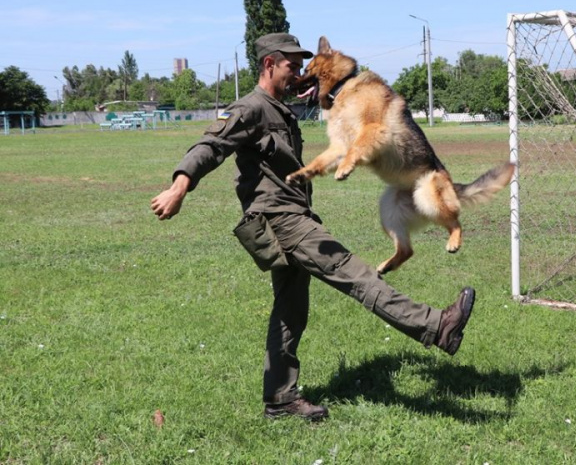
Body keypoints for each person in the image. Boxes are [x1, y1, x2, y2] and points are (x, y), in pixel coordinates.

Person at [150, 33, 476, 421]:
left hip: (291, 215)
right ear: (270, 64)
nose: (299, 74)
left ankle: (280, 400)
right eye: (291, 66)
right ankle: (437, 327)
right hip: (280, 220)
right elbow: (210, 146)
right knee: (355, 274)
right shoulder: (251, 108)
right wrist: (179, 186)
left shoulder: (281, 110)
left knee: (290, 311)